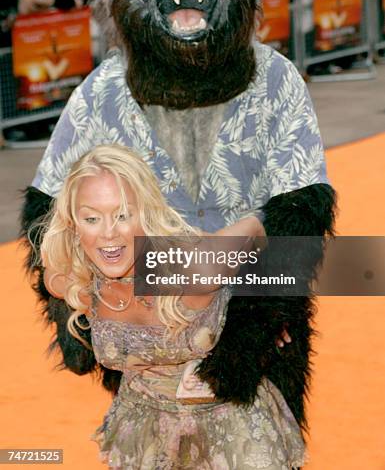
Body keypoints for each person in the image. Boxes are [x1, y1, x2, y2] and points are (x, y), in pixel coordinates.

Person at [39, 144, 306, 469]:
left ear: (146, 213)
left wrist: (265, 312)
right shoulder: (80, 281)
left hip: (230, 441)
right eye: (91, 218)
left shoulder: (197, 270)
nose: (108, 234)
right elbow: (52, 270)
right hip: (145, 439)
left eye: (123, 215)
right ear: (72, 225)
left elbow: (258, 227)